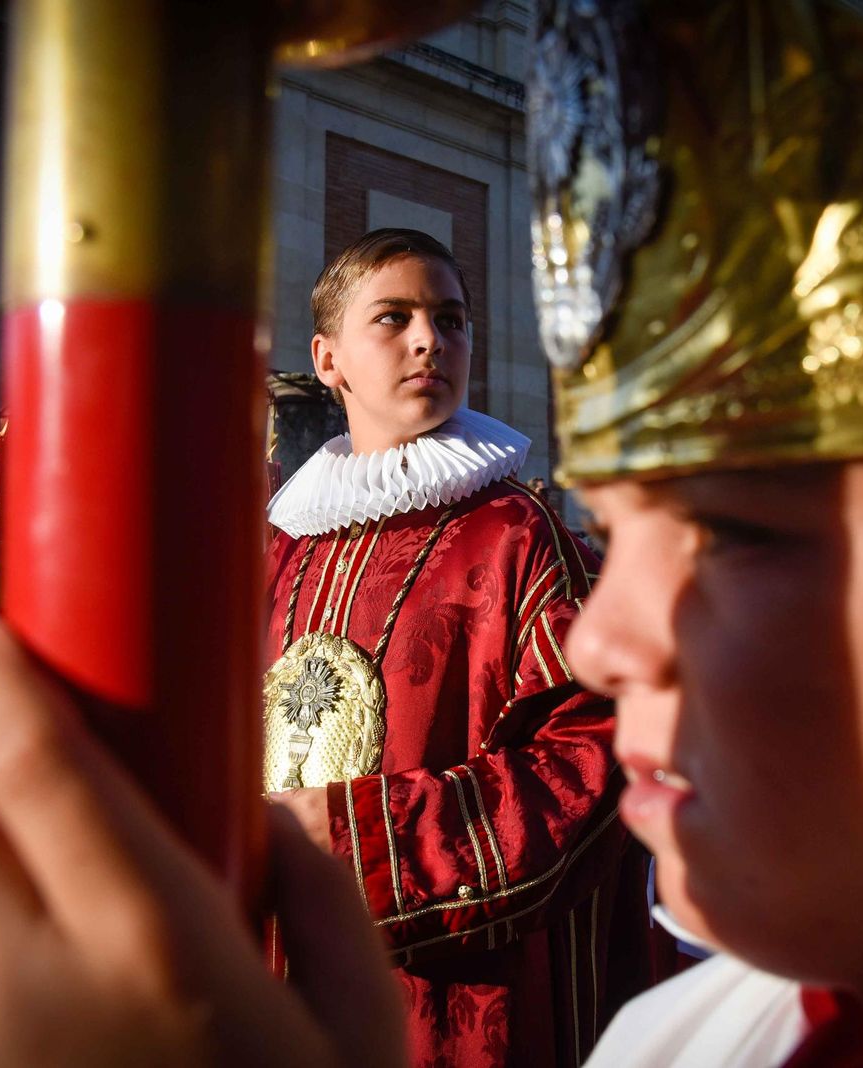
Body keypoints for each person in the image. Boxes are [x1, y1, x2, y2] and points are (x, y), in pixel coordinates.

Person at [0, 4, 863, 1067]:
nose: (609, 637)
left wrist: (345, 849)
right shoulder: (676, 1043)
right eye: (628, 530)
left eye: (737, 534)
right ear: (328, 355)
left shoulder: (512, 538)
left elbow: (555, 767)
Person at [259, 228, 655, 1066]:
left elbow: (595, 757)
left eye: (451, 319)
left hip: (463, 983)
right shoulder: (283, 548)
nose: (430, 340)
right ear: (327, 360)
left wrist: (357, 837)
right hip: (283, 971)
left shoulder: (519, 535)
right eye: (393, 318)